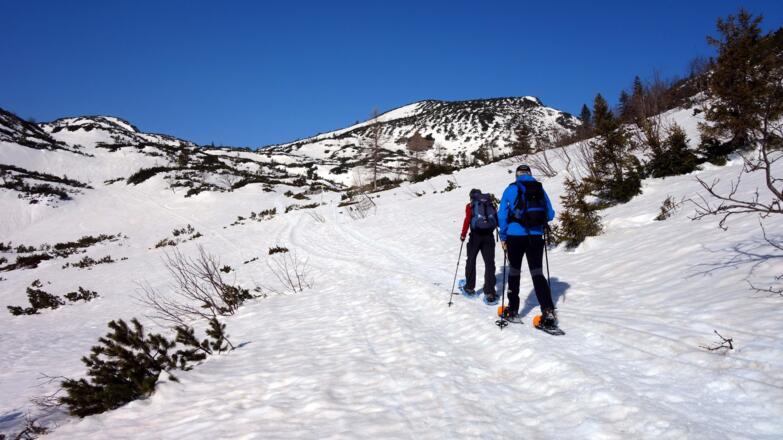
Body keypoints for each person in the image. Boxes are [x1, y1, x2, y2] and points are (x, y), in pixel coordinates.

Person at [497, 164, 557, 326]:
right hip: (536, 237)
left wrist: (503, 236)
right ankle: (548, 311)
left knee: (514, 271)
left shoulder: (511, 189)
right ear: (530, 174)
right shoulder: (539, 188)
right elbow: (550, 214)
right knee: (537, 272)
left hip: (515, 237)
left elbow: (502, 215)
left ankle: (513, 309)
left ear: (517, 175)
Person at [460, 188, 497, 302]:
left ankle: (470, 287)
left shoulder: (470, 205)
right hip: (489, 236)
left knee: (471, 260)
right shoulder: (490, 204)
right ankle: (490, 292)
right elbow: (496, 219)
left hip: (475, 236)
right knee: (489, 264)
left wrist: (463, 234)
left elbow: (467, 220)